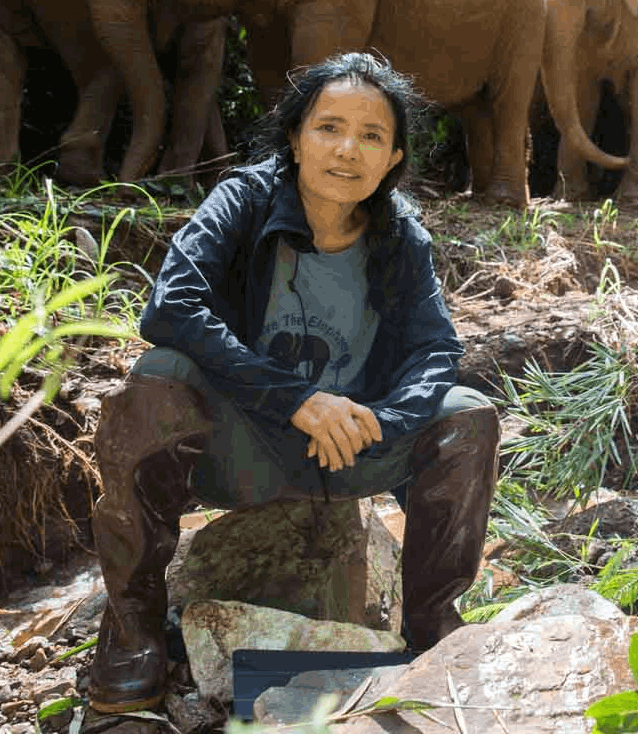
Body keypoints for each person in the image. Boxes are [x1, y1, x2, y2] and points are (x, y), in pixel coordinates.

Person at [87, 52, 499, 715]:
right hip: (245, 448)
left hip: (353, 450)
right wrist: (298, 399)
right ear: (293, 138)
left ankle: (430, 625)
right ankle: (133, 626)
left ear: (393, 157)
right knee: (160, 376)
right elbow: (171, 307)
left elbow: (435, 350)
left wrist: (380, 422)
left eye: (371, 136)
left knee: (467, 414)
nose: (348, 149)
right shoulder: (245, 199)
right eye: (328, 127)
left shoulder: (400, 233)